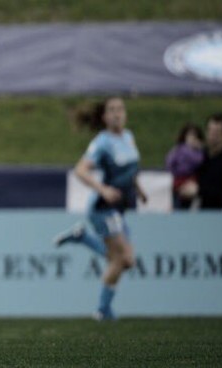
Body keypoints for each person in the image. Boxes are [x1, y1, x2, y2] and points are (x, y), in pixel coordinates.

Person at [52, 97, 147, 321]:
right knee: (121, 258)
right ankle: (102, 310)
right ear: (104, 117)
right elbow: (80, 170)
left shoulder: (129, 137)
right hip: (102, 207)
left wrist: (139, 189)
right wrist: (103, 189)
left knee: (127, 260)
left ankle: (83, 237)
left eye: (120, 109)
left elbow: (130, 170)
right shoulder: (102, 142)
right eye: (112, 110)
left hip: (118, 208)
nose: (117, 113)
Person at [165, 123, 205, 210]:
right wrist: (175, 171)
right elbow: (169, 162)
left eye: (195, 136)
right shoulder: (178, 149)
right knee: (177, 204)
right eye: (190, 135)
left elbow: (199, 161)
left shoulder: (198, 151)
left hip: (190, 180)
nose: (192, 139)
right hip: (178, 181)